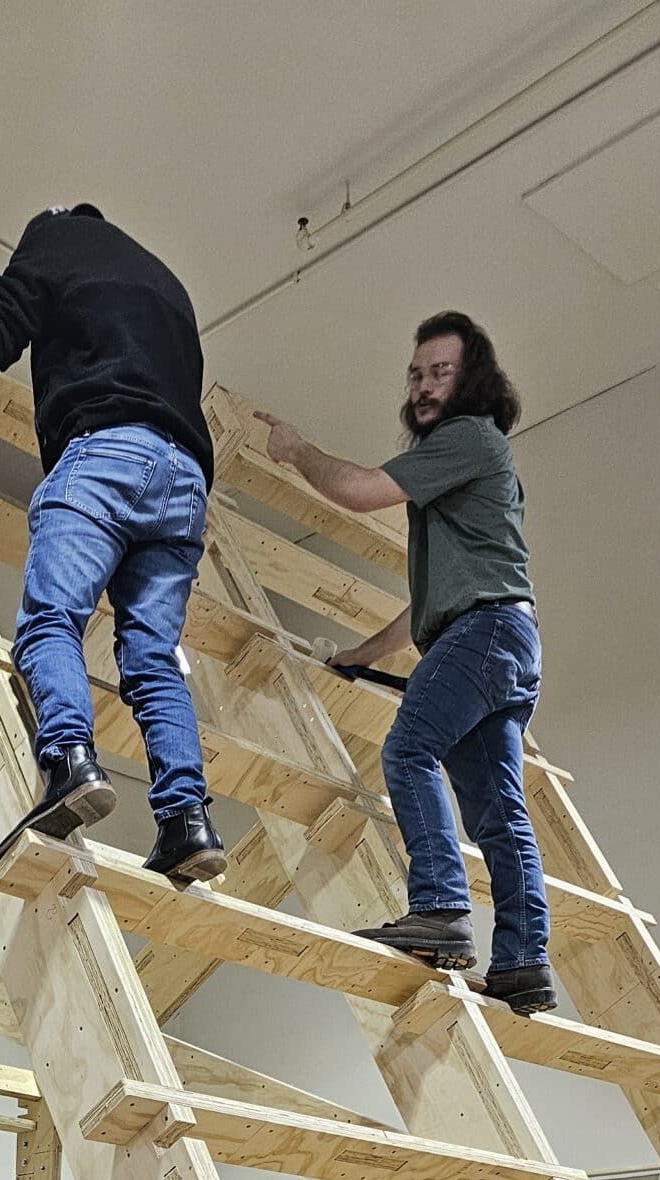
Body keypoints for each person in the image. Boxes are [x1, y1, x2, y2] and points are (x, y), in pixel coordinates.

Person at [258, 313, 555, 1015]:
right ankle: (524, 962)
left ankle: (442, 909)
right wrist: (359, 656)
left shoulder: (469, 436)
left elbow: (361, 491)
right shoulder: (466, 474)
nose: (423, 387)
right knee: (499, 811)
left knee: (408, 748)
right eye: (416, 375)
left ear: (471, 379)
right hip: (505, 639)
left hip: (486, 634)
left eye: (439, 372)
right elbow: (430, 607)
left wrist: (297, 450)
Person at [0, 204, 226, 888]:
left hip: (106, 454)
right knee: (153, 658)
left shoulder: (56, 234)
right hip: (186, 484)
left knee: (50, 621)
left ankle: (70, 760)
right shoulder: (169, 285)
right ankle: (187, 821)